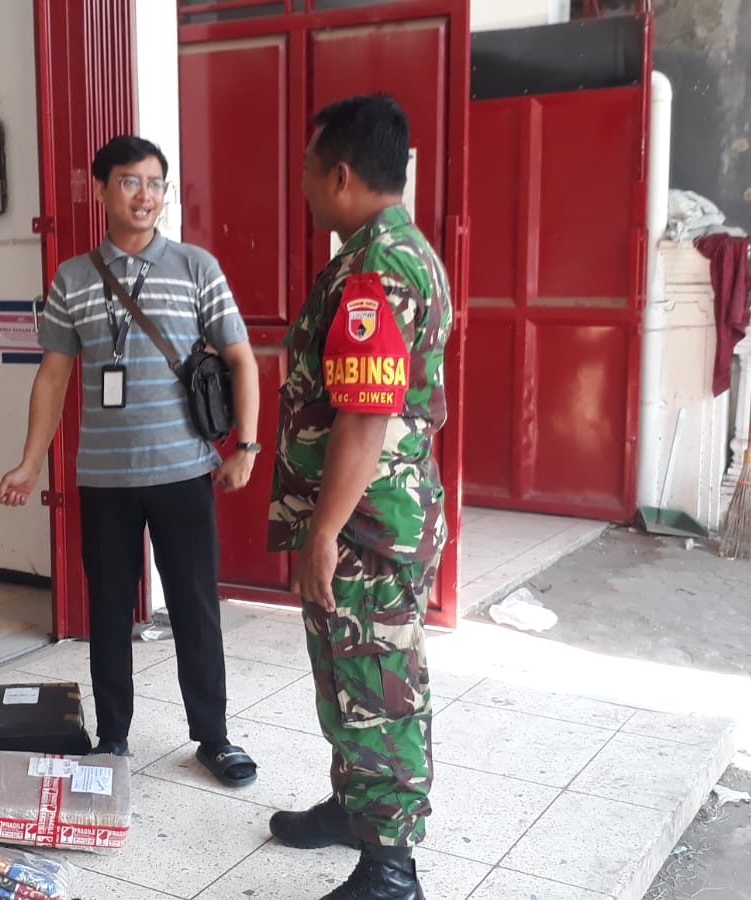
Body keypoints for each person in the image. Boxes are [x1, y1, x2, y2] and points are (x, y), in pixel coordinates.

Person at [0, 135, 261, 788]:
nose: (145, 195)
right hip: (105, 479)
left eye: (155, 183)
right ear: (101, 190)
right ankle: (112, 736)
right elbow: (53, 376)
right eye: (130, 182)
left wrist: (247, 446)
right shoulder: (72, 277)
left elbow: (240, 358)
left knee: (195, 609)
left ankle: (214, 738)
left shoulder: (196, 266)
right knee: (109, 613)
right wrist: (30, 462)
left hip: (183, 472)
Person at [266, 95, 452, 899]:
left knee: (380, 690)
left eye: (309, 170)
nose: (304, 185)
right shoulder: (396, 252)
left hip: (366, 529)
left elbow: (365, 418)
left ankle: (391, 870)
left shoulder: (377, 269)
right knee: (348, 678)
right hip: (369, 519)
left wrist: (324, 533)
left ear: (341, 174)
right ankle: (353, 811)